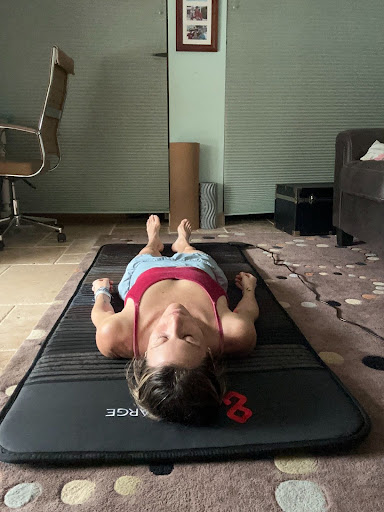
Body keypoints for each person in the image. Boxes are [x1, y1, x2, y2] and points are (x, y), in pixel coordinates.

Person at [91, 215, 259, 425]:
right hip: (198, 270)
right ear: (208, 354)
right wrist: (249, 290)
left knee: (146, 254)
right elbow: (248, 312)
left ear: (144, 357)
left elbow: (102, 315)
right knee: (193, 253)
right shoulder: (233, 333)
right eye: (188, 338)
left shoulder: (117, 336)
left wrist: (102, 293)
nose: (175, 319)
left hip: (146, 272)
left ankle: (153, 243)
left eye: (161, 338)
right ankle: (183, 243)